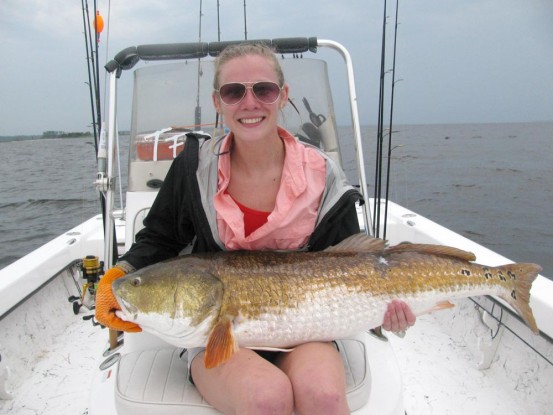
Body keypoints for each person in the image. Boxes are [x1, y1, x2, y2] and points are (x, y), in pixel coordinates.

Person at [96, 42, 416, 415]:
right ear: (218, 102)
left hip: (307, 328)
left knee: (325, 398)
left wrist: (386, 309)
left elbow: (352, 259)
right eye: (234, 92)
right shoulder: (192, 168)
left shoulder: (322, 174)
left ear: (283, 96)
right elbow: (160, 238)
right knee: (267, 397)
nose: (250, 103)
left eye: (263, 89)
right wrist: (120, 275)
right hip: (215, 331)